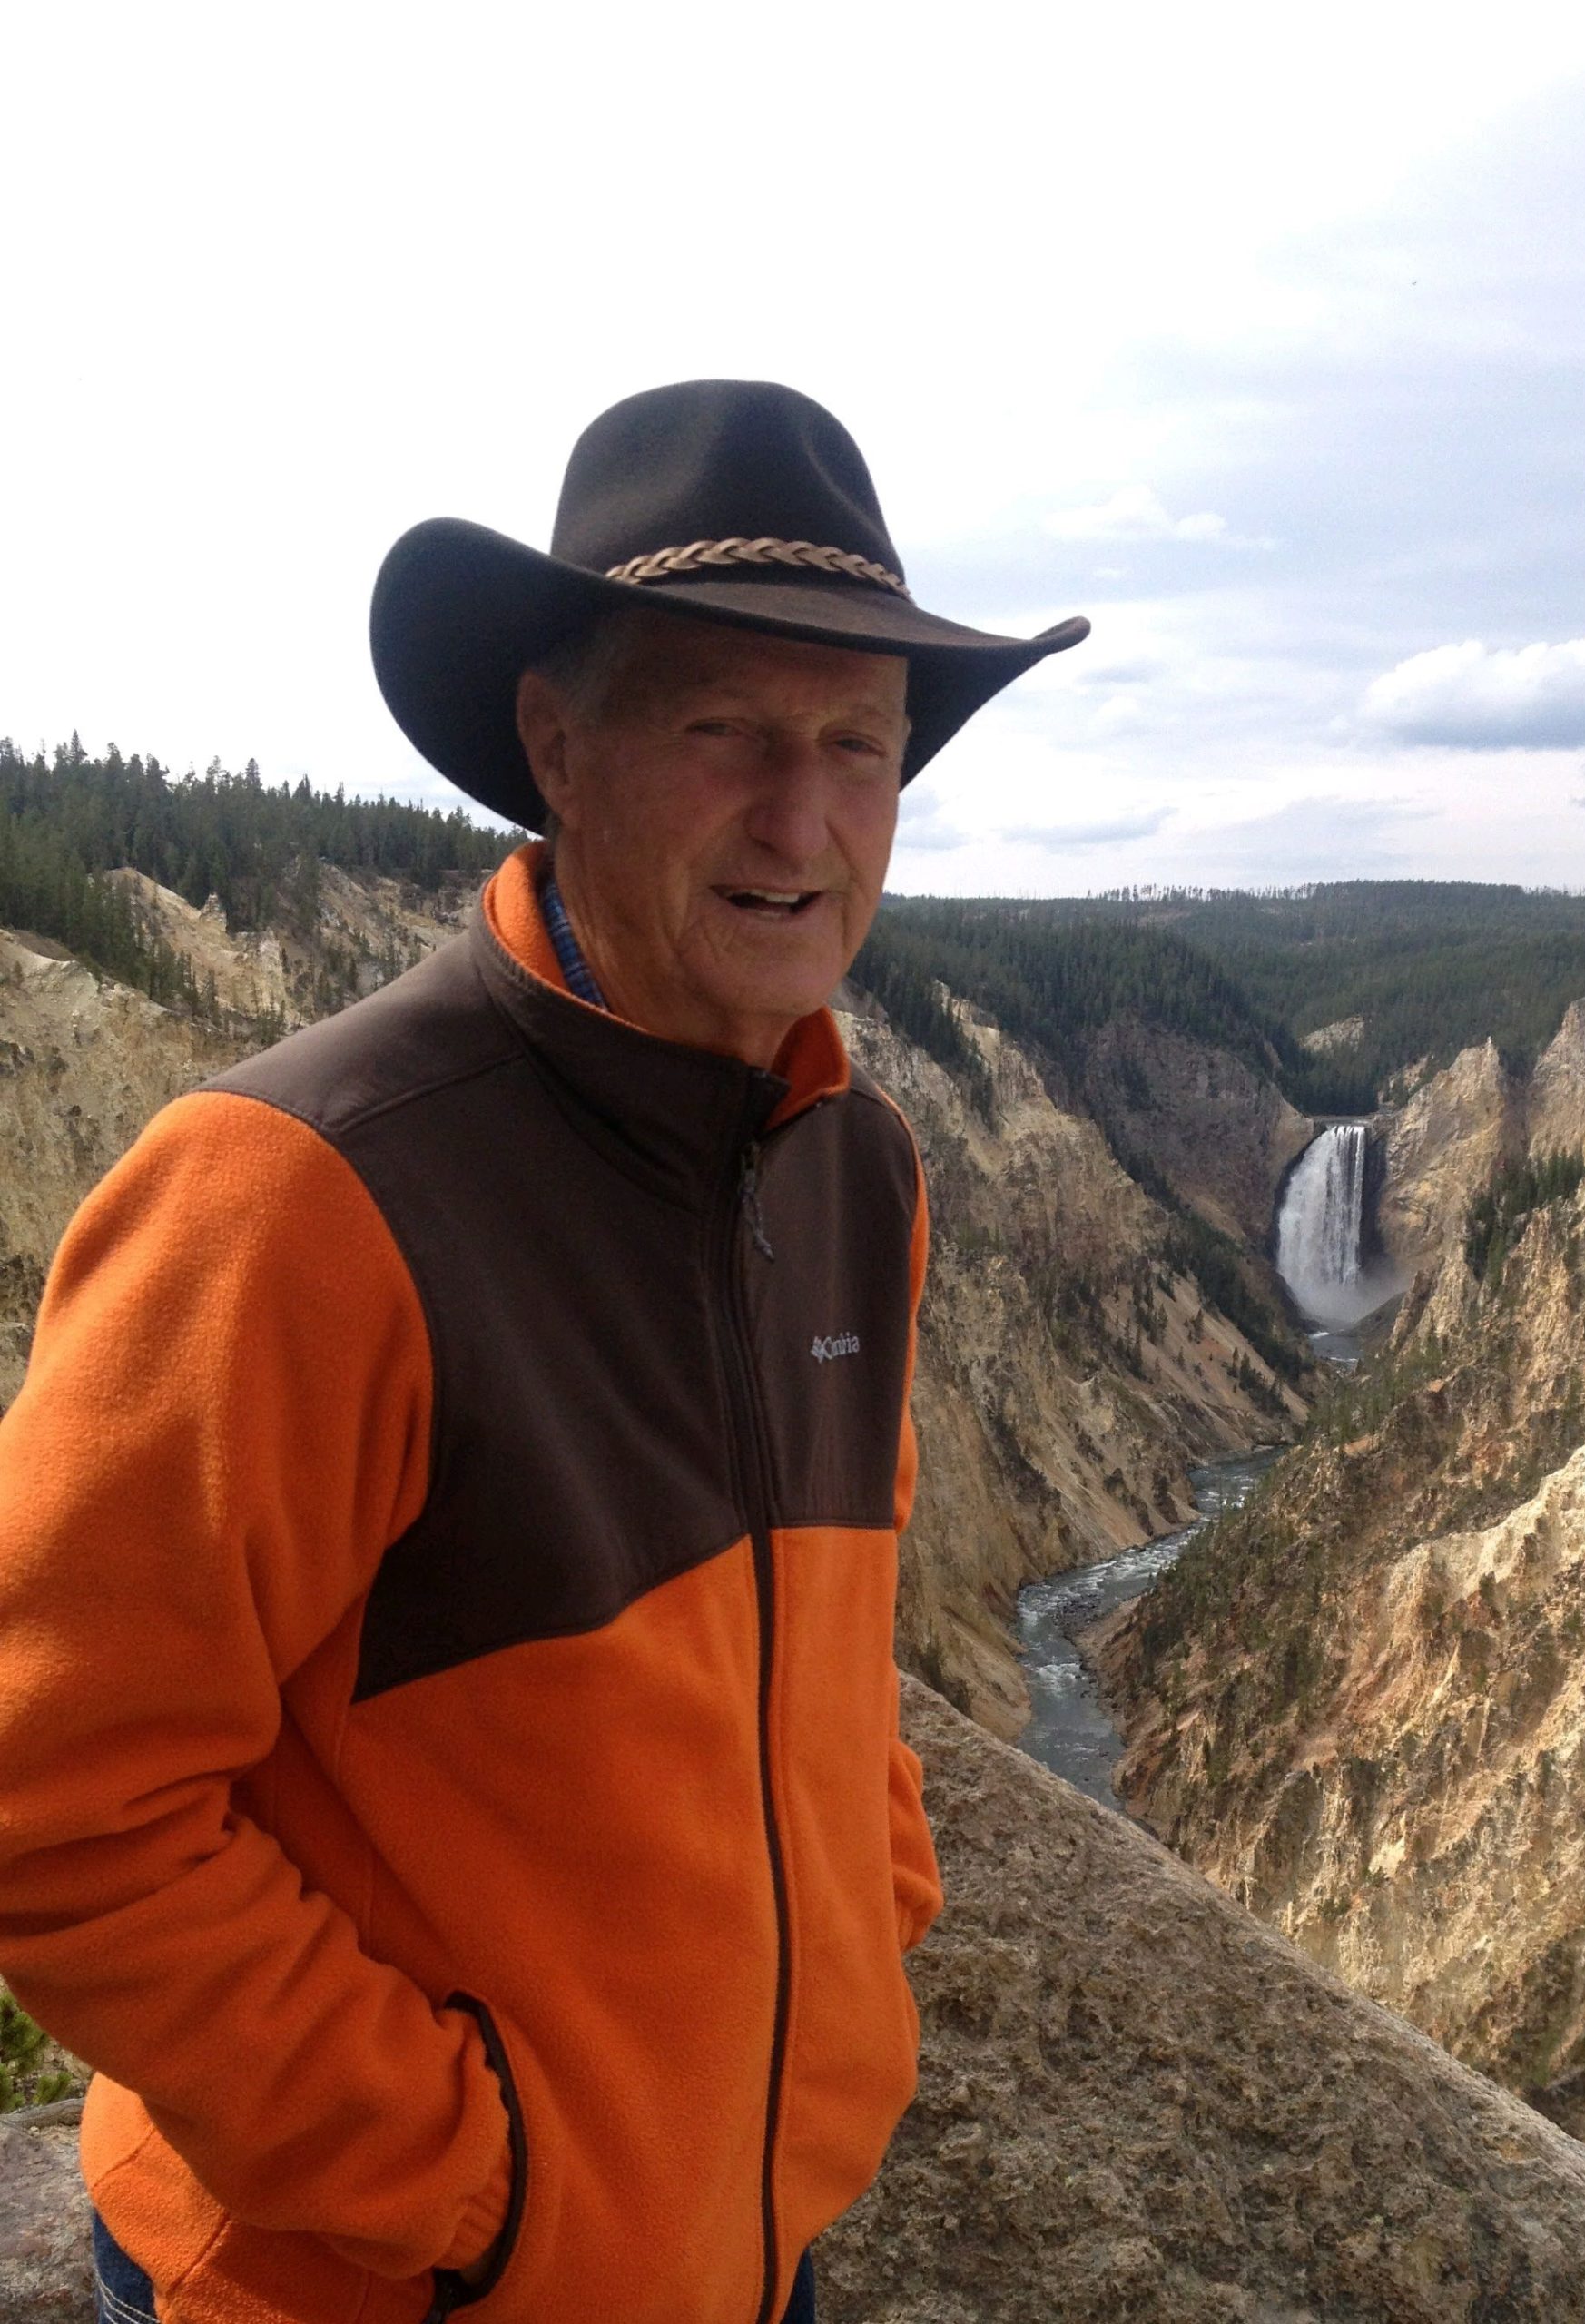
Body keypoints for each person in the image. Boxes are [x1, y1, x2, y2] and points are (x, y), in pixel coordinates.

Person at [0, 380, 1087, 2324]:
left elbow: (837, 1650)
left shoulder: (856, 1166)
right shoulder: (299, 1192)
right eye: (723, 728)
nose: (801, 817)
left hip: (746, 2252)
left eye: (858, 742)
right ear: (556, 747)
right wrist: (472, 2182)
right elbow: (49, 1797)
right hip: (385, 2289)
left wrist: (859, 1941)